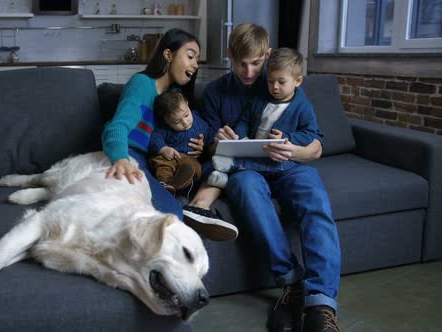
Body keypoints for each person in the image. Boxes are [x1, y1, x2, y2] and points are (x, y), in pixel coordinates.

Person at [201, 24, 342, 332]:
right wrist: (219, 138)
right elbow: (209, 145)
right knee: (246, 188)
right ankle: (292, 285)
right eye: (241, 63)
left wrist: (292, 150)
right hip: (248, 169)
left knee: (315, 199)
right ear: (230, 57)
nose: (250, 71)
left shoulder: (283, 81)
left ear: (266, 56)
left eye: (256, 63)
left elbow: (315, 144)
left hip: (290, 166)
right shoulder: (215, 92)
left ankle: (320, 304)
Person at [101, 28, 237, 241]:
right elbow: (117, 126)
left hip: (164, 164)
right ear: (168, 55)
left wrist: (201, 146)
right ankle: (182, 216)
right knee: (171, 216)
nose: (195, 64)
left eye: (197, 60)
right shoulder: (142, 84)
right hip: (135, 157)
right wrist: (120, 158)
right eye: (190, 56)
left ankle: (197, 207)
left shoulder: (175, 97)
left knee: (222, 165)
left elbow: (181, 133)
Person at [207, 47, 322, 189]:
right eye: (270, 81)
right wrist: (242, 137)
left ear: (297, 81)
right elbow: (244, 120)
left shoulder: (303, 106)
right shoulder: (260, 99)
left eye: (281, 82)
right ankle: (227, 172)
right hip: (254, 150)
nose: (275, 87)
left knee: (277, 165)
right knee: (252, 163)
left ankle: (231, 167)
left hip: (279, 158)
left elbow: (310, 133)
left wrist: (287, 138)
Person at [148, 90, 217, 196]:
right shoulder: (164, 129)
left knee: (194, 167)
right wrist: (164, 149)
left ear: (187, 104)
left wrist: (218, 140)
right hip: (171, 156)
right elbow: (154, 139)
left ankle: (176, 186)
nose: (185, 122)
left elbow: (210, 134)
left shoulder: (198, 122)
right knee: (163, 163)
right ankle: (164, 185)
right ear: (166, 121)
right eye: (177, 122)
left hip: (188, 160)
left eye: (186, 115)